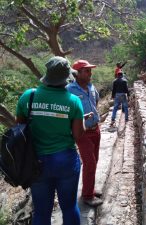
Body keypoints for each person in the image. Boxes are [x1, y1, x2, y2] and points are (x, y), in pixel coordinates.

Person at [16, 56, 85, 225]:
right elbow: (78, 135)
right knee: (69, 207)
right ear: (66, 78)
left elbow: (20, 128)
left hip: (36, 162)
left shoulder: (28, 97)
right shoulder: (74, 101)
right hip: (65, 161)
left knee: (41, 211)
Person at [66, 59, 103, 207]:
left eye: (90, 70)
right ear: (78, 73)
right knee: (90, 163)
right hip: (83, 132)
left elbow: (96, 101)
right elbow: (68, 112)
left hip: (96, 129)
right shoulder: (70, 90)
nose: (90, 73)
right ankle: (87, 196)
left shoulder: (91, 87)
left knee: (95, 161)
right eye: (87, 71)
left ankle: (90, 189)